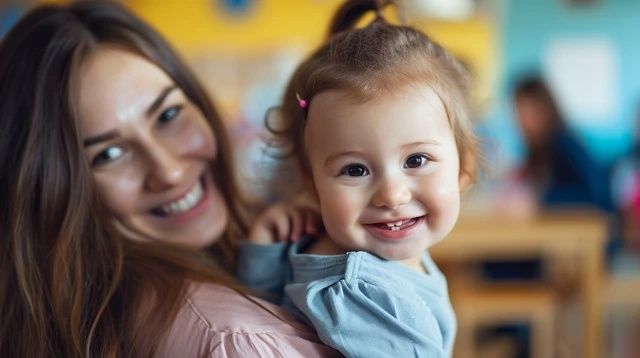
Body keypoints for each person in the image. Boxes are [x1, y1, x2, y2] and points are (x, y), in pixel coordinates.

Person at [0, 2, 339, 357]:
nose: (169, 172)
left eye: (168, 115)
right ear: (51, 193)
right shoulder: (234, 339)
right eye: (109, 155)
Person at [236, 0, 478, 356]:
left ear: (463, 168)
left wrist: (264, 260)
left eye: (416, 159)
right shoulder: (366, 298)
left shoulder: (370, 263)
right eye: (355, 169)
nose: (392, 195)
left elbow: (264, 315)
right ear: (311, 182)